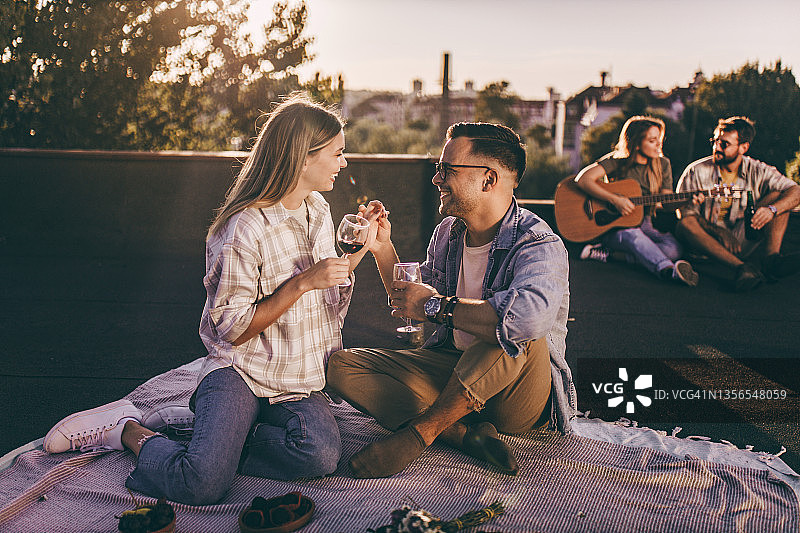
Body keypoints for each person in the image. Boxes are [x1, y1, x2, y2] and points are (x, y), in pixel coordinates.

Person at [42, 94, 385, 505]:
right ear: (303, 157)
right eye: (337, 153)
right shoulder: (245, 227)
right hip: (241, 370)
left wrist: (363, 244)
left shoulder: (318, 209)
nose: (343, 162)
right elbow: (233, 329)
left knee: (319, 454)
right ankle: (128, 430)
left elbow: (327, 288)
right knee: (202, 483)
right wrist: (300, 284)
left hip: (295, 377)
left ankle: (206, 432)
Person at [326, 122, 575, 479]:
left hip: (514, 398)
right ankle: (462, 434)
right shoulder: (448, 232)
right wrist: (382, 247)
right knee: (341, 367)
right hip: (454, 368)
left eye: (447, 170)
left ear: (489, 179)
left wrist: (437, 306)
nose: (436, 179)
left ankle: (421, 433)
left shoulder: (538, 243)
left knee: (514, 326)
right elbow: (416, 297)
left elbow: (525, 320)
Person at [675, 116, 800, 291]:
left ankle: (771, 261)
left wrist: (772, 210)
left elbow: (796, 191)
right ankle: (742, 268)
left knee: (778, 195)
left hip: (739, 242)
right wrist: (718, 231)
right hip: (704, 243)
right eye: (715, 141)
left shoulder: (757, 170)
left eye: (724, 144)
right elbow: (684, 214)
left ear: (743, 147)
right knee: (685, 224)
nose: (717, 147)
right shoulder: (696, 171)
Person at [575, 116, 698, 286]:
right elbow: (583, 180)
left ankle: (609, 254)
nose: (659, 144)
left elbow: (667, 202)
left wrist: (687, 201)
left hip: (645, 224)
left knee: (674, 249)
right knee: (633, 235)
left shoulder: (663, 164)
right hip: (614, 228)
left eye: (659, 139)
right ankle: (668, 271)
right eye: (652, 140)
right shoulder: (617, 161)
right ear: (637, 143)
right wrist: (615, 200)